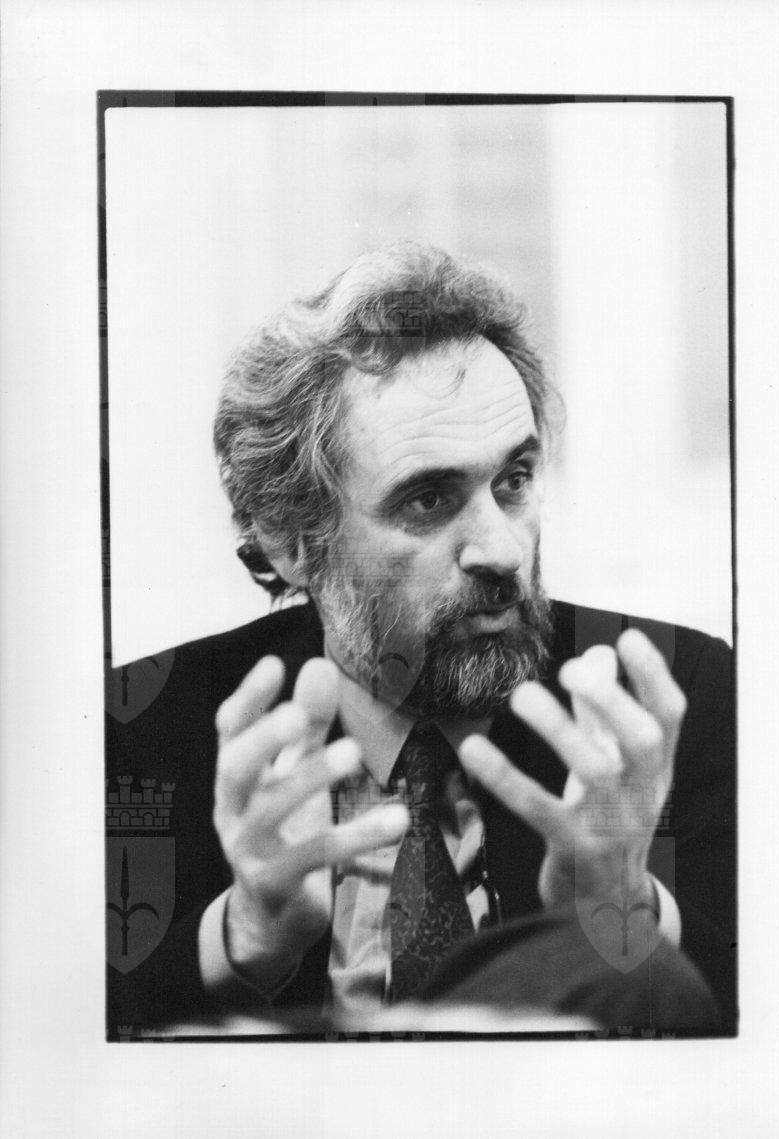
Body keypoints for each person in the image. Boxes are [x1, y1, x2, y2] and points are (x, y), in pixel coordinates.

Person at [106, 242, 735, 1037]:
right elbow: (56, 1050)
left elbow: (776, 1034)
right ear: (290, 539)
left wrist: (625, 909)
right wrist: (247, 938)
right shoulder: (142, 728)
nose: (501, 550)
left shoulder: (665, 707)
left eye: (514, 480)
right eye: (428, 500)